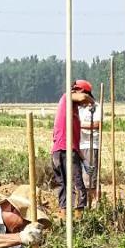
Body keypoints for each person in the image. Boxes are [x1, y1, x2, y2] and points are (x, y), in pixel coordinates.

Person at [52, 79, 96, 214]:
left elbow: (75, 143)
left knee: (65, 186)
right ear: (79, 90)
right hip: (65, 151)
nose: (85, 104)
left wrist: (84, 161)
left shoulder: (73, 111)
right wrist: (92, 102)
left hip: (64, 151)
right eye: (85, 101)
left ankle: (66, 217)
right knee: (77, 186)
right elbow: (83, 97)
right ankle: (78, 218)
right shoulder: (67, 98)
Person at [79, 98, 101, 206]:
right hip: (78, 145)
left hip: (90, 145)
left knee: (90, 179)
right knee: (80, 179)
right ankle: (83, 205)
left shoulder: (95, 107)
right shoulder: (78, 107)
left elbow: (97, 124)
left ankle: (93, 205)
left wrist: (78, 125)